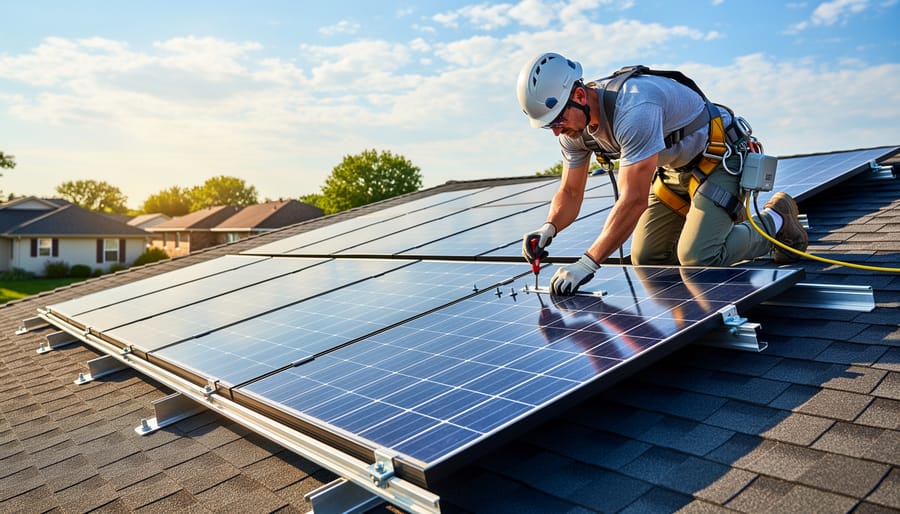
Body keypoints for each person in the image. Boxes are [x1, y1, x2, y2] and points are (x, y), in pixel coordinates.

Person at [516, 52, 808, 295]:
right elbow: (570, 192)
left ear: (579, 95)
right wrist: (549, 228)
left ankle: (777, 220)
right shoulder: (572, 130)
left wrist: (588, 262)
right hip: (672, 171)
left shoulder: (634, 109)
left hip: (718, 161)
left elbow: (632, 200)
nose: (556, 131)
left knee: (697, 259)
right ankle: (715, 228)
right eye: (548, 126)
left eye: (558, 120)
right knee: (646, 258)